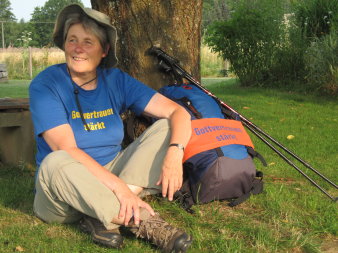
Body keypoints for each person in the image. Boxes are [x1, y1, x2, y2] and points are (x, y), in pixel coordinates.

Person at [29, 4, 192, 252]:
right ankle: (145, 222)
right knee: (56, 161)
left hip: (112, 170)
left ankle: (99, 215)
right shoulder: (46, 85)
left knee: (166, 128)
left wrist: (175, 152)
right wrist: (120, 190)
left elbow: (178, 112)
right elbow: (67, 150)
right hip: (64, 190)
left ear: (104, 50)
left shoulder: (115, 80)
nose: (78, 48)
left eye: (87, 42)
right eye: (72, 40)